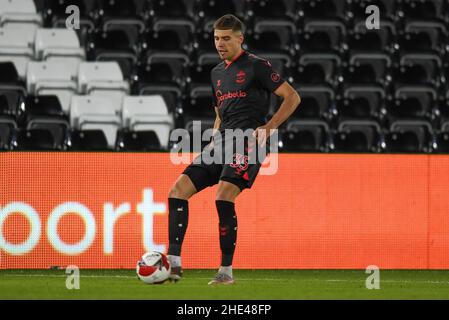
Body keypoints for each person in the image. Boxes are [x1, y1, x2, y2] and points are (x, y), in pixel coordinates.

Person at [167, 14, 301, 285]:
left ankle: (226, 272)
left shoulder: (257, 66)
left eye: (226, 38)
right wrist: (214, 136)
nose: (220, 43)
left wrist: (270, 127)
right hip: (222, 141)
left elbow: (292, 97)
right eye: (216, 38)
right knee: (177, 190)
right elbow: (220, 112)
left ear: (240, 38)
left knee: (223, 195)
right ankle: (174, 264)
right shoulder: (216, 73)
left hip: (248, 141)